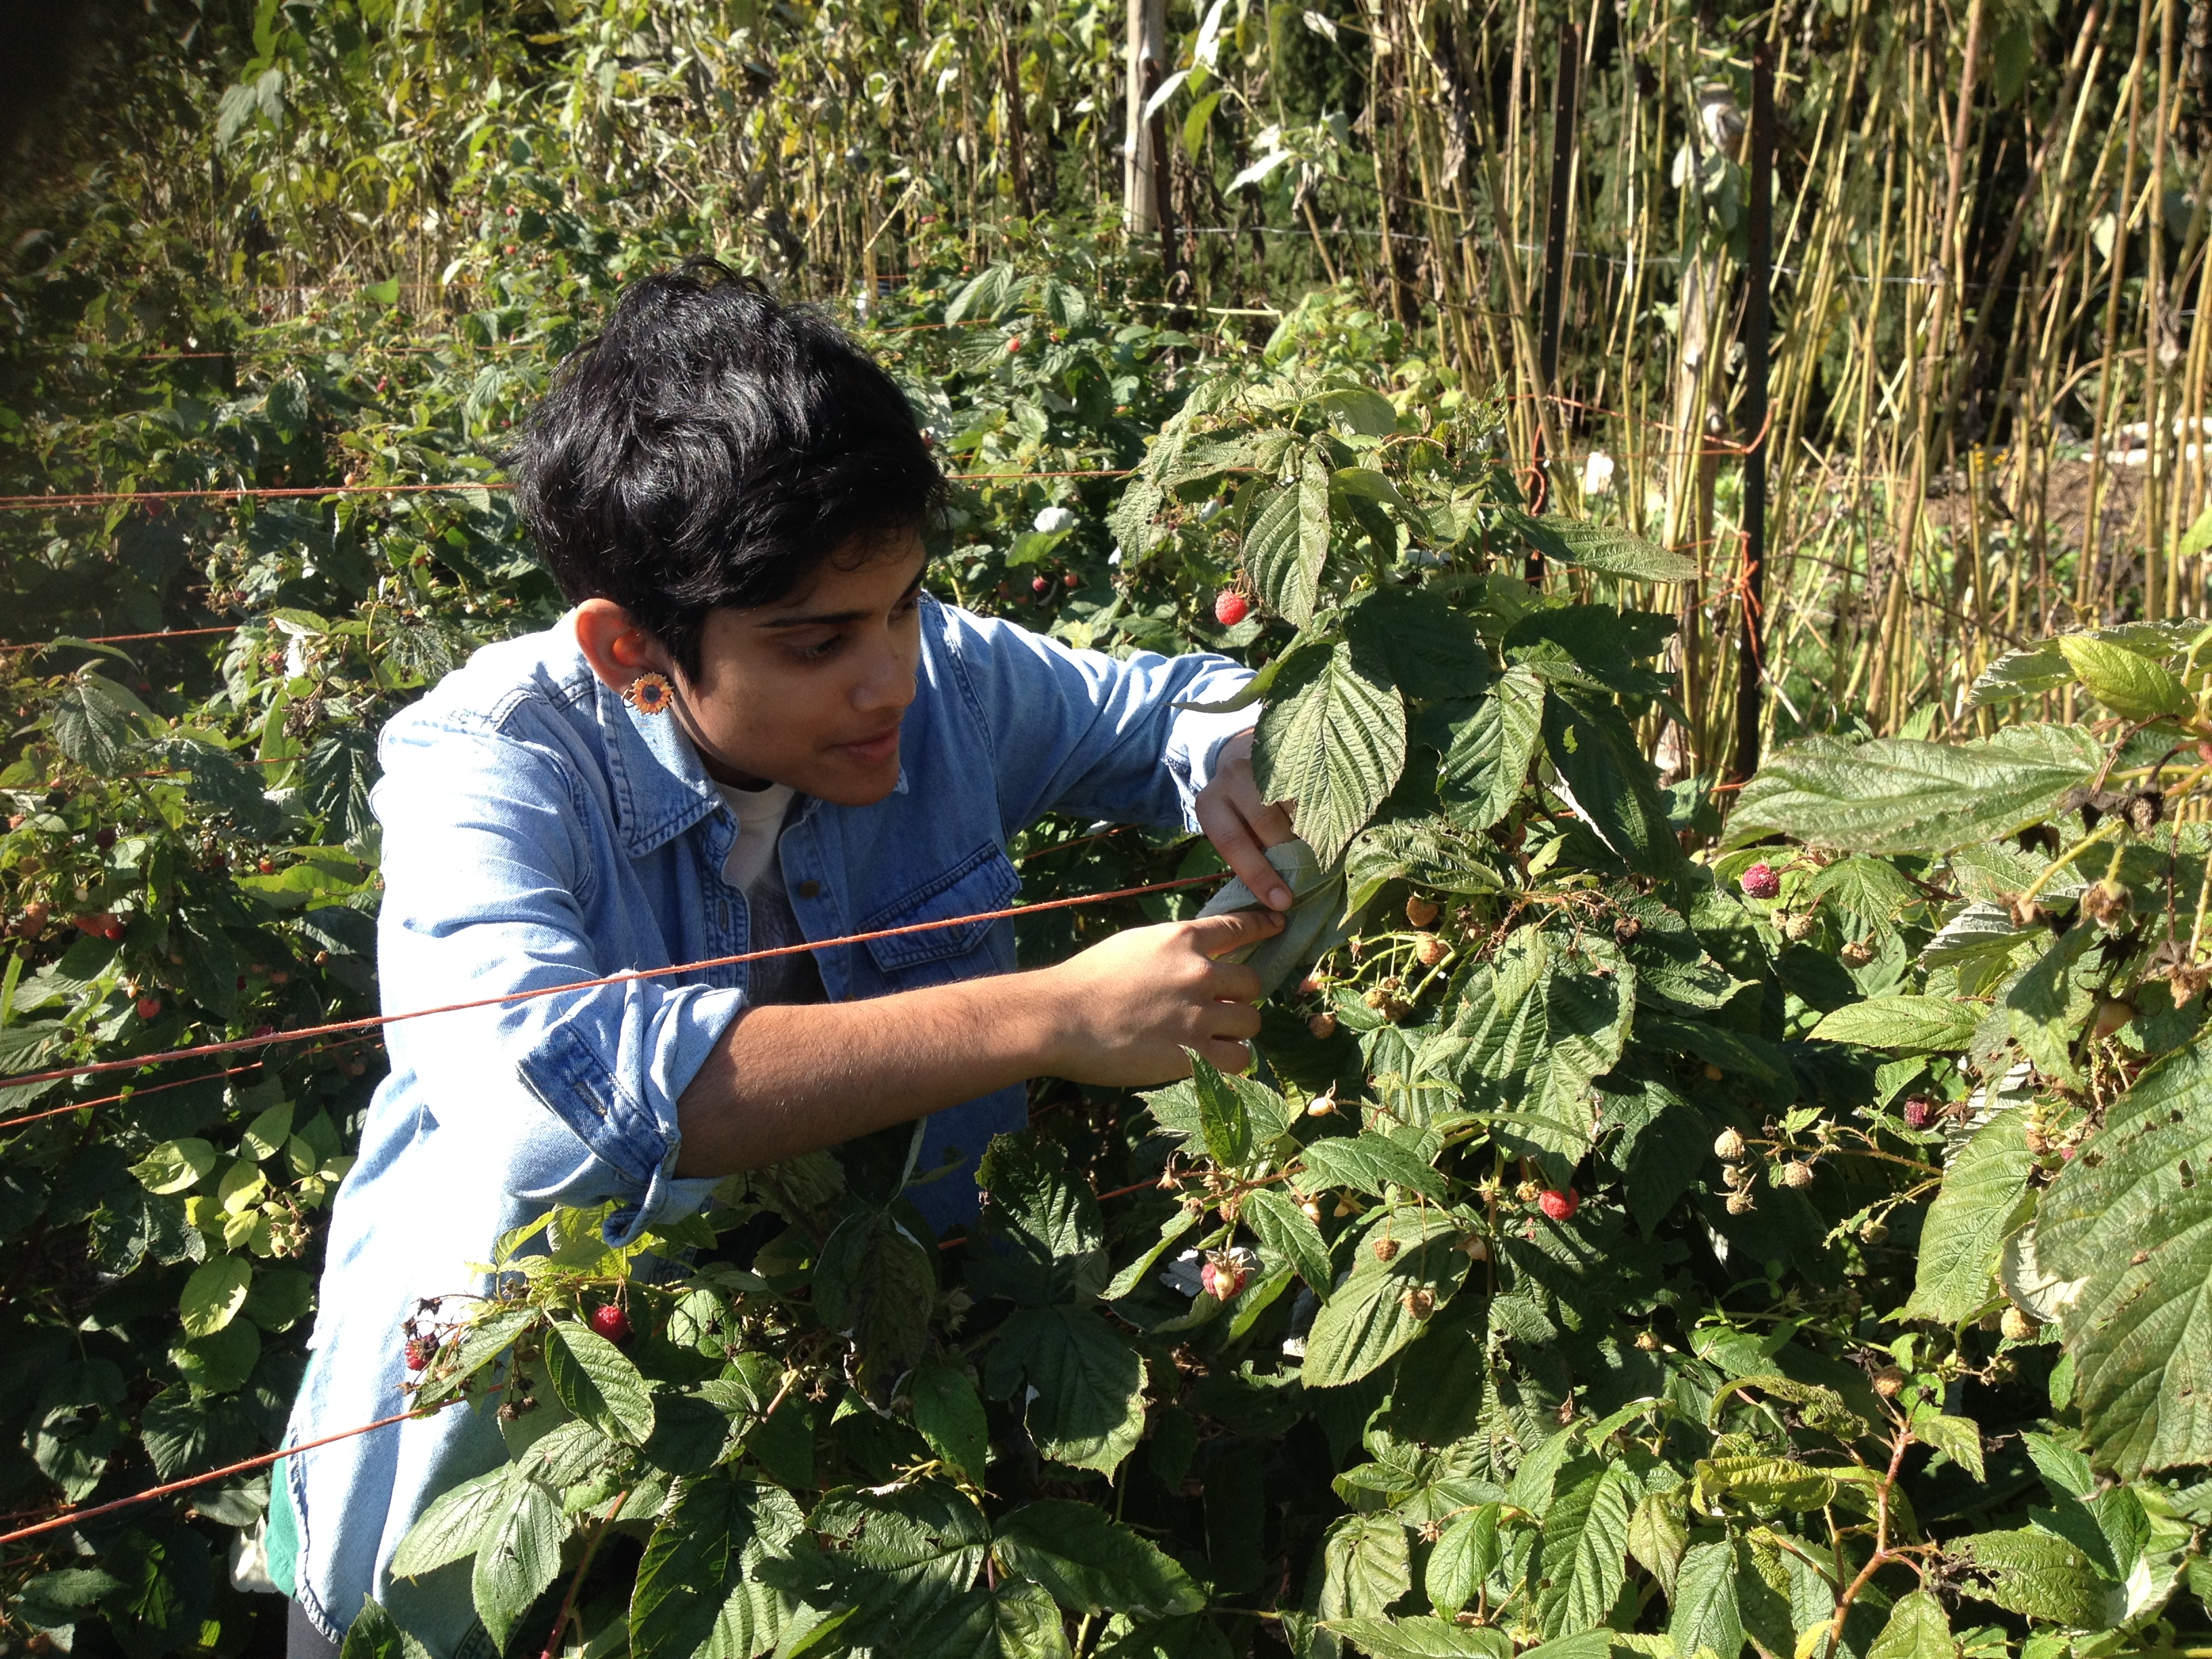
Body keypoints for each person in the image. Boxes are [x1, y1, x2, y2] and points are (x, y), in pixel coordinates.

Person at [268, 261, 1296, 1656]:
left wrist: (1237, 756)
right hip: (486, 1474)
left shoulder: (942, 681)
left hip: (854, 1430)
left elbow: (1171, 707)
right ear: (632, 647)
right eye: (817, 642)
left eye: (906, 608)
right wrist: (1053, 1015)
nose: (892, 681)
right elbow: (555, 1100)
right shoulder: (485, 761)